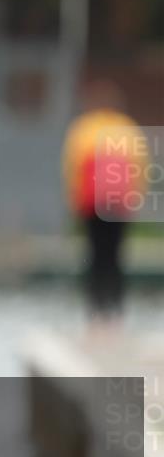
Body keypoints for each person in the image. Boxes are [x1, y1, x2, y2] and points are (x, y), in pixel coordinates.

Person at [62, 80, 146, 323]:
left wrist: (73, 198)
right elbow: (140, 166)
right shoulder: (127, 128)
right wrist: (136, 197)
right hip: (118, 203)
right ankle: (116, 309)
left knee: (95, 253)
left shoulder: (83, 129)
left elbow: (72, 167)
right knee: (116, 254)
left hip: (92, 202)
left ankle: (95, 309)